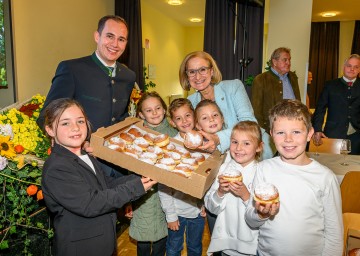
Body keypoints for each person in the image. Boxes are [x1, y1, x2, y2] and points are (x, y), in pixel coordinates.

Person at [41, 98, 156, 256]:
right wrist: (135, 188)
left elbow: (107, 184)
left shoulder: (83, 154)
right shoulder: (57, 168)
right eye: (65, 123)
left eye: (80, 121)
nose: (75, 128)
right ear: (50, 130)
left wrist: (140, 178)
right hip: (82, 248)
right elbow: (91, 203)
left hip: (102, 242)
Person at [37, 15, 135, 177]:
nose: (115, 44)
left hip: (118, 165)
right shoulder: (72, 69)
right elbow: (47, 116)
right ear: (97, 36)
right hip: (81, 164)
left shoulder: (129, 76)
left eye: (121, 39)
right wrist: (77, 142)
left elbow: (120, 115)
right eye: (109, 36)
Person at [245, 99, 343, 256]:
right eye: (280, 132)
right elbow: (250, 219)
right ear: (271, 135)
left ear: (310, 134)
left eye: (296, 132)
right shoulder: (264, 169)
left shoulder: (325, 178)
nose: (288, 139)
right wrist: (261, 214)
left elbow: (334, 235)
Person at [179, 50, 275, 160]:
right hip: (220, 159)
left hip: (254, 152)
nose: (197, 76)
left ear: (211, 71)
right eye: (192, 72)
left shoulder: (234, 87)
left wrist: (218, 138)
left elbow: (249, 123)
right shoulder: (190, 102)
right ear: (187, 76)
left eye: (202, 70)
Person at [126, 91, 177, 256]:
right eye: (148, 110)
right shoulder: (136, 134)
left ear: (164, 109)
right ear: (141, 114)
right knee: (143, 235)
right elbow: (128, 170)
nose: (154, 113)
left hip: (168, 195)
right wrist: (128, 200)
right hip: (143, 196)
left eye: (158, 108)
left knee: (162, 235)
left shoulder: (174, 134)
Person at [155, 97, 206, 256]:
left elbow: (206, 180)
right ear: (172, 122)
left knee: (195, 247)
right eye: (178, 118)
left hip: (197, 212)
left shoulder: (205, 144)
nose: (184, 121)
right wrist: (170, 215)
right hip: (177, 212)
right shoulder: (171, 146)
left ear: (194, 115)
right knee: (173, 248)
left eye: (187, 115)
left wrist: (204, 204)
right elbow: (163, 185)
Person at [204, 121, 262, 256]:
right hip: (226, 243)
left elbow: (262, 214)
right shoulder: (223, 169)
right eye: (234, 142)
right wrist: (220, 192)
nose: (238, 148)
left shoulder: (262, 172)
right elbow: (212, 208)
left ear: (259, 147)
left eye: (246, 143)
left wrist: (245, 195)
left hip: (252, 245)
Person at [312, 54, 360, 155]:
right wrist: (317, 129)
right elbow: (320, 109)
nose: (352, 69)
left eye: (356, 67)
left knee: (353, 167)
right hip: (333, 134)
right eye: (349, 66)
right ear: (344, 67)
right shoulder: (330, 85)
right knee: (332, 165)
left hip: (357, 136)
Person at [251, 47, 301, 134]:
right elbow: (256, 111)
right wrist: (262, 132)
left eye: (289, 60)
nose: (288, 63)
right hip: (271, 129)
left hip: (293, 127)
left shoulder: (293, 77)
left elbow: (298, 102)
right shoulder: (261, 80)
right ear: (274, 62)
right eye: (285, 60)